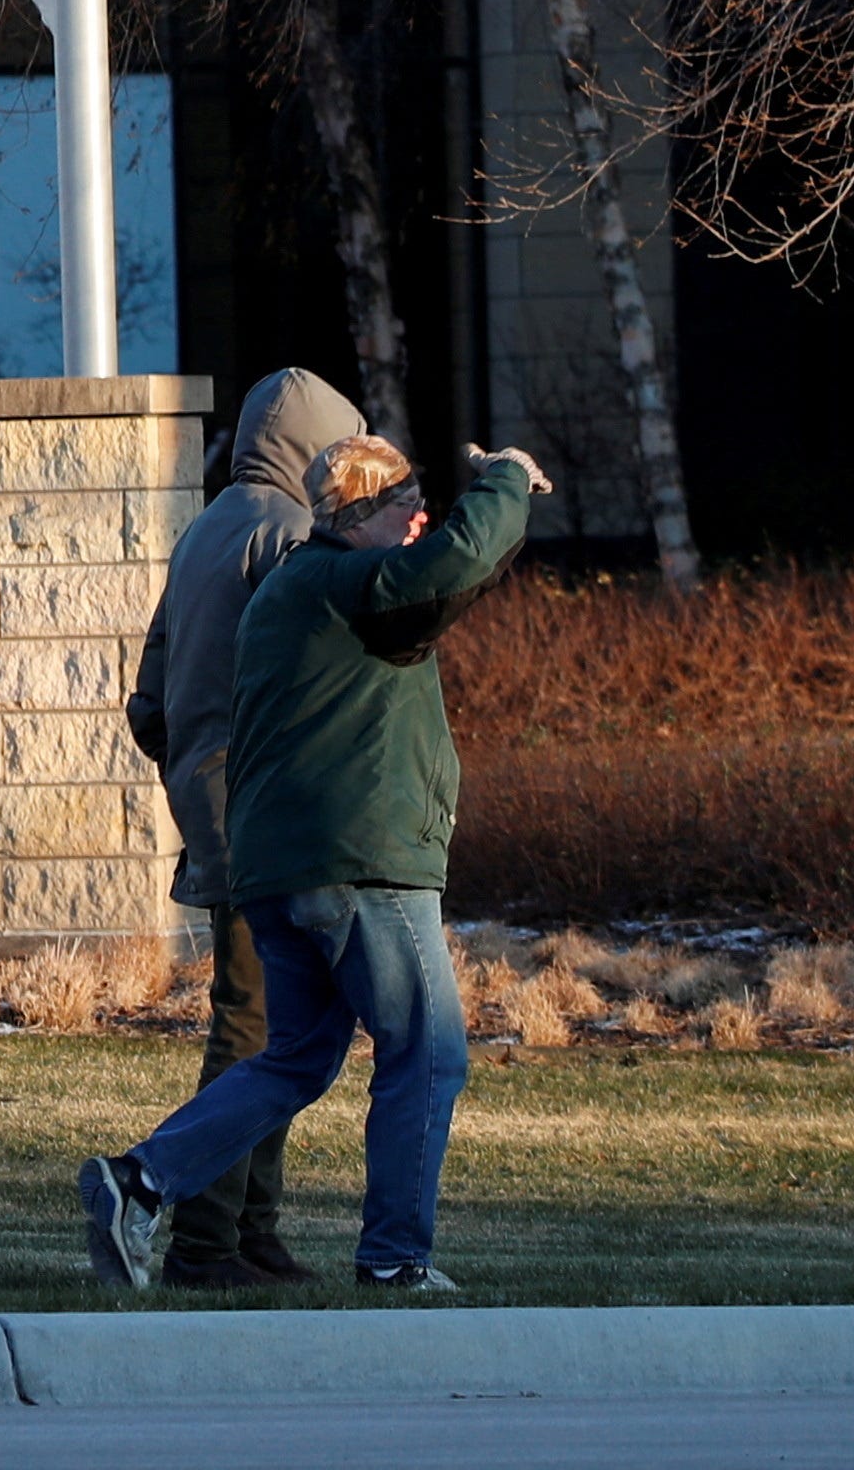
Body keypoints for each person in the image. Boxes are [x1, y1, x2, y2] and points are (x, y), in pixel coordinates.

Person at [78, 427, 549, 1295]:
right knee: (430, 1055)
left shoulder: (304, 593)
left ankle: (139, 1182)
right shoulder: (340, 582)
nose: (420, 521)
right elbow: (451, 563)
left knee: (295, 1059)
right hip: (359, 866)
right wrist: (506, 482)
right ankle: (395, 1259)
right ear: (359, 513)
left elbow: (449, 582)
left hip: (284, 873)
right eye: (406, 505)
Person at [116, 368, 362, 1287]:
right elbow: (315, 687)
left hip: (217, 808)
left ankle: (255, 1233)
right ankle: (208, 1241)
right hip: (270, 816)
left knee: (273, 1023)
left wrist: (194, 768)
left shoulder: (205, 533)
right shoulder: (295, 535)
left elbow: (149, 700)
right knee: (257, 1028)